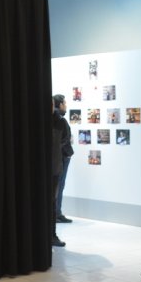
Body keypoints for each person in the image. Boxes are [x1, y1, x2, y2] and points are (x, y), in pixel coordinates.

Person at [53, 94, 74, 224]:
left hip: (59, 156)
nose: (66, 106)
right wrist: (67, 153)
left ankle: (56, 212)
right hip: (61, 157)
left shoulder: (56, 118)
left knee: (58, 185)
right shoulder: (60, 120)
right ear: (60, 104)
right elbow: (64, 139)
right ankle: (57, 213)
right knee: (59, 185)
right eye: (65, 103)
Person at [50, 98, 68, 248]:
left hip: (54, 167)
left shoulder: (60, 122)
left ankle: (52, 235)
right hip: (53, 165)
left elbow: (64, 139)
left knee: (52, 201)